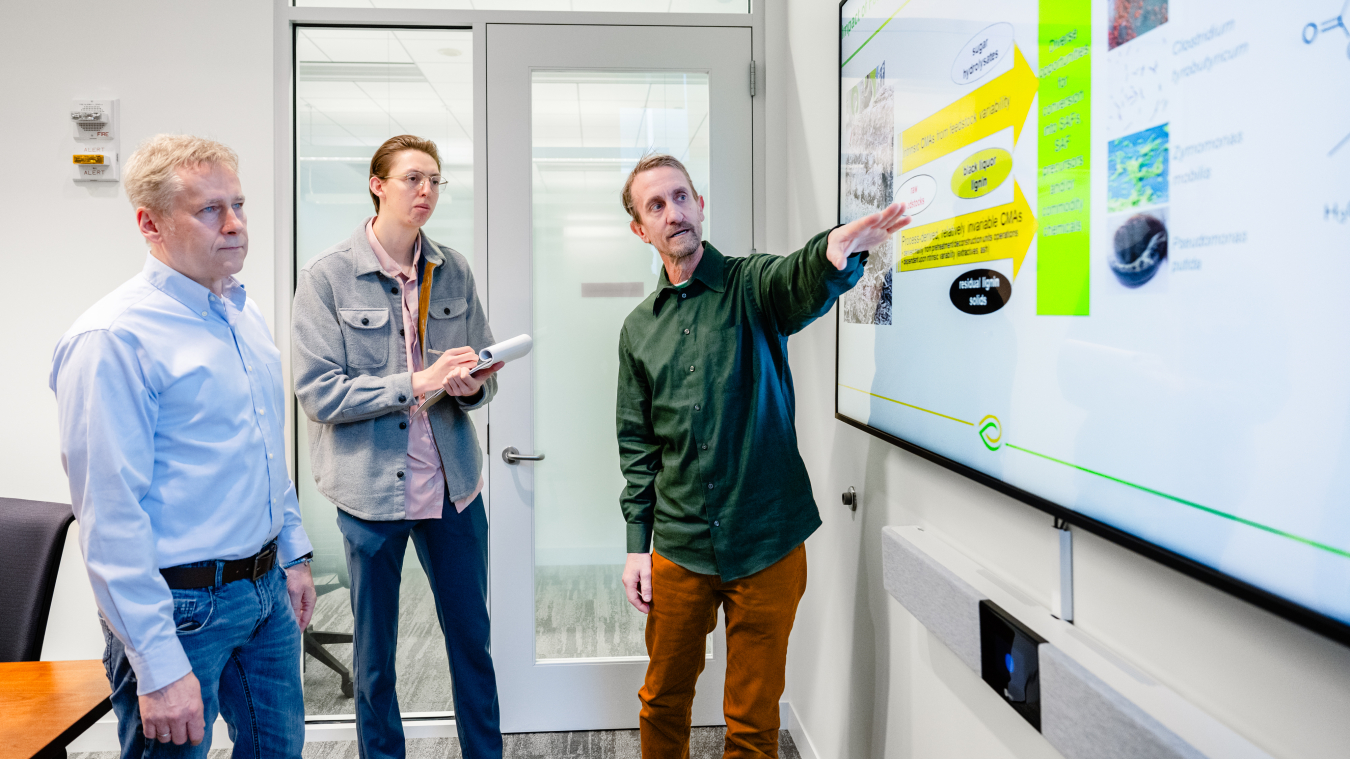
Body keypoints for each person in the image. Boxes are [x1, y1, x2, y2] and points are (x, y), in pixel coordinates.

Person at [615, 154, 909, 758]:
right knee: (662, 701)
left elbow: (796, 281)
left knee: (751, 720)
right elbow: (638, 445)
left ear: (701, 205)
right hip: (678, 545)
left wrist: (832, 251)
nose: (674, 213)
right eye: (656, 205)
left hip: (767, 542)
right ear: (640, 229)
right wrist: (634, 546)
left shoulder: (751, 286)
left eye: (681, 197)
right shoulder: (638, 330)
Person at [49, 135, 316, 757]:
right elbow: (111, 517)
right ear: (149, 223)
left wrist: (294, 553)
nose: (235, 225)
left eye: (239, 204)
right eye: (209, 210)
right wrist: (158, 665)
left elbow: (262, 450)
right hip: (178, 610)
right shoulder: (113, 339)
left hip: (265, 591)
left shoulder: (239, 314)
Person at [291, 134, 503, 759]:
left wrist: (468, 386)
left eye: (436, 180)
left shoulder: (453, 267)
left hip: (454, 490)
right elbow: (318, 393)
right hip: (369, 493)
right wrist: (418, 382)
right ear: (378, 184)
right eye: (413, 178)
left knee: (472, 643)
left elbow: (479, 384)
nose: (427, 192)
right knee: (375, 656)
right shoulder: (328, 277)